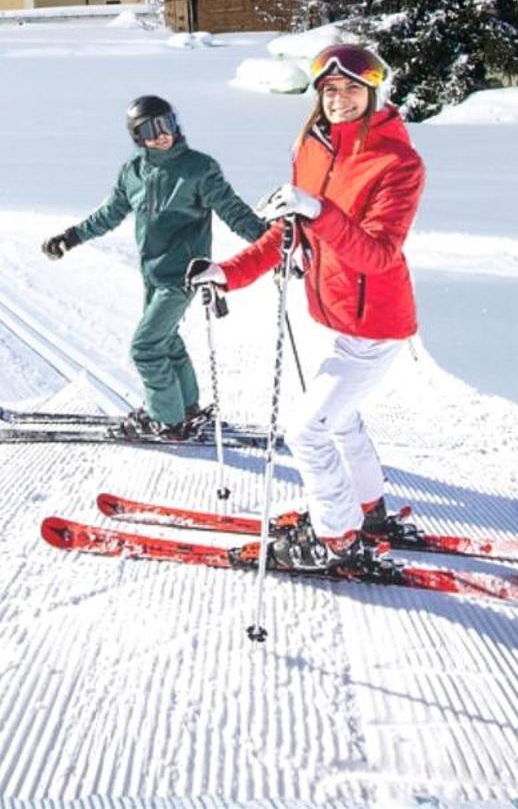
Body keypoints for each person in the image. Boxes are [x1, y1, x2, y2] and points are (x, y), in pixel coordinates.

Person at [189, 40, 424, 571]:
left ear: (372, 91)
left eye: (351, 89)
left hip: (377, 323)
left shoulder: (397, 161)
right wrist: (228, 272)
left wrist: (316, 209)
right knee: (339, 419)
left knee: (307, 428)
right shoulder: (313, 147)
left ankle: (337, 538)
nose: (340, 99)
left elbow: (379, 254)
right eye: (330, 89)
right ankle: (370, 510)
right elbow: (286, 233)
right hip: (335, 314)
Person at [42, 95, 268, 440]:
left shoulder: (198, 168)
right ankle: (186, 408)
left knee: (145, 347)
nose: (162, 134)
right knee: (166, 340)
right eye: (151, 128)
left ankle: (166, 419)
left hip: (184, 275)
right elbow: (109, 215)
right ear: (137, 136)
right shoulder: (133, 173)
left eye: (168, 123)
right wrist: (70, 237)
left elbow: (233, 210)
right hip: (153, 273)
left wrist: (270, 244)